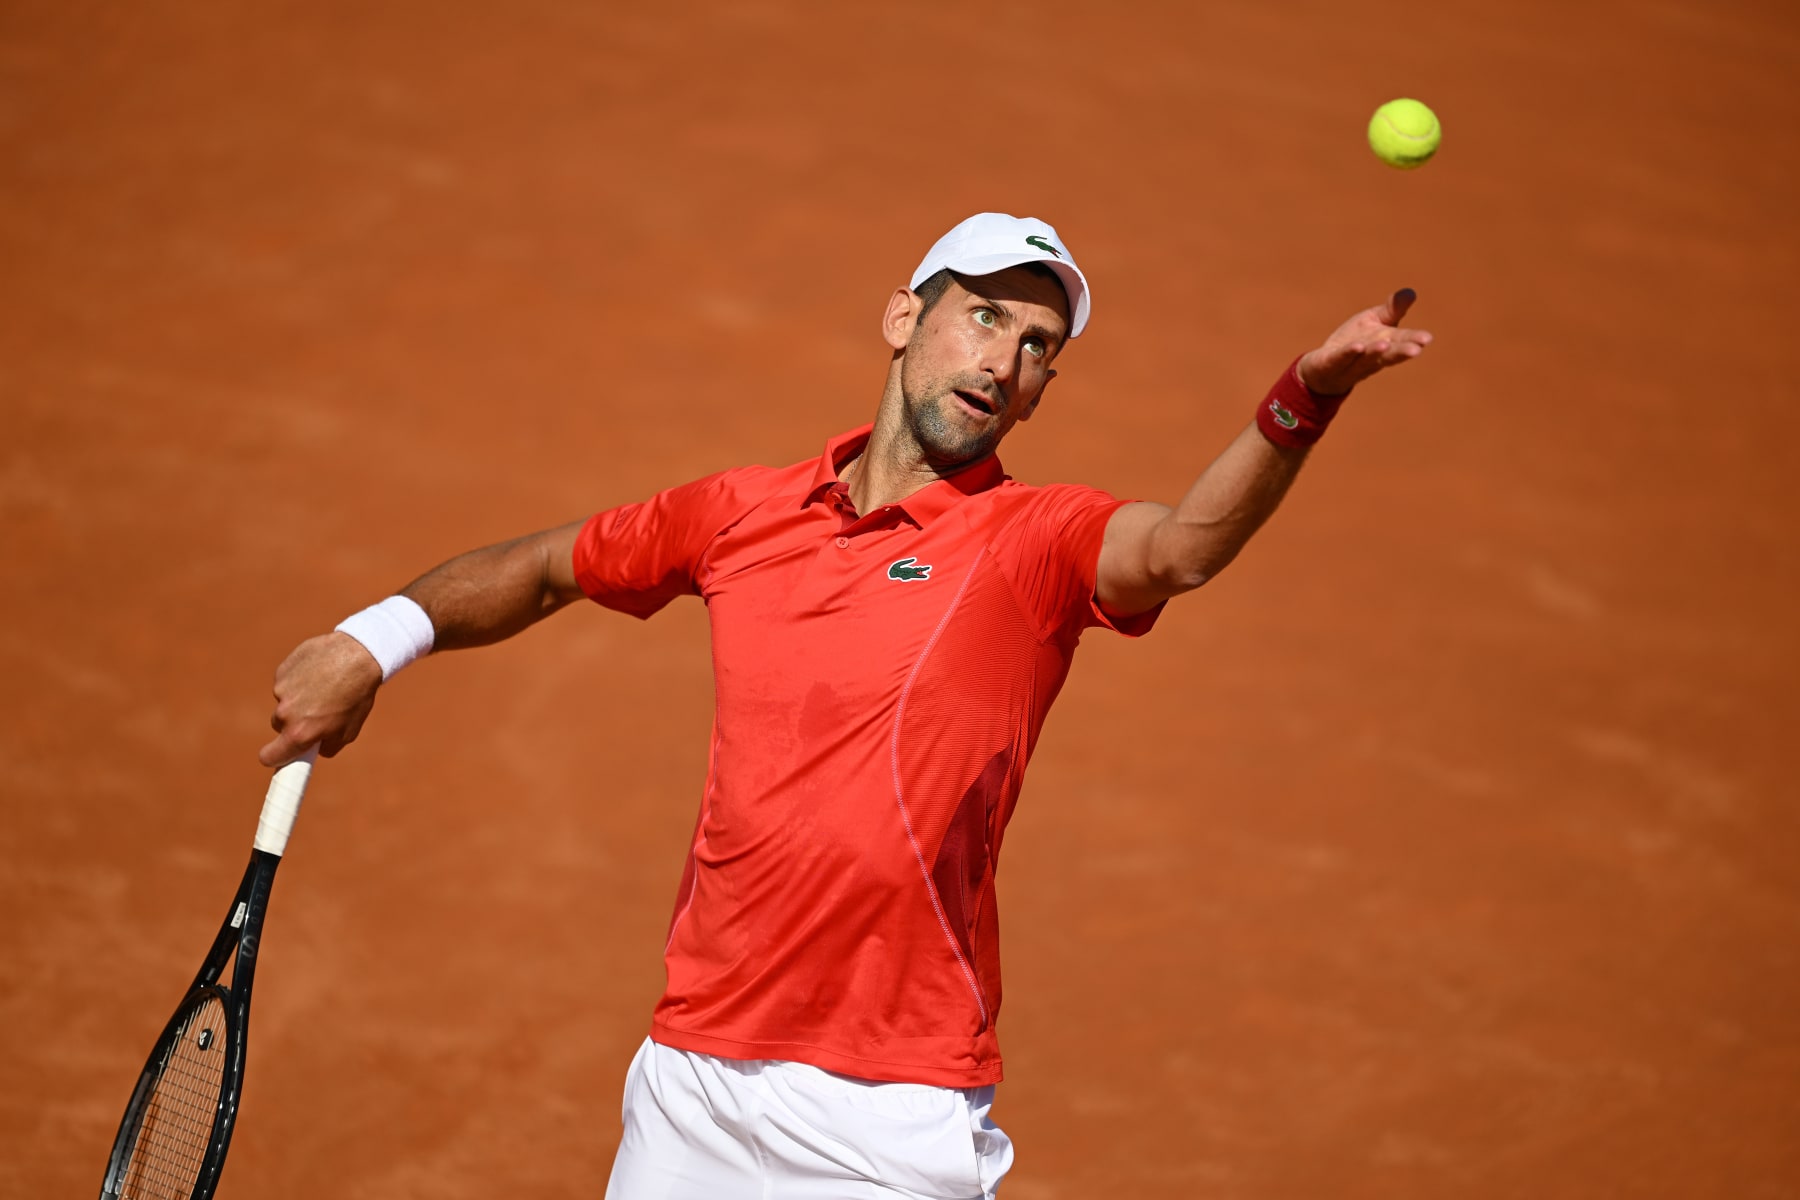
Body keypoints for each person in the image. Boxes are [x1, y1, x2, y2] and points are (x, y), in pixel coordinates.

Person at [259, 212, 1432, 1198]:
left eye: (1037, 347)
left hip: (892, 1114)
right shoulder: (740, 515)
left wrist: (1305, 396)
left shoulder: (1037, 540)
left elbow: (1180, 550)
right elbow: (548, 566)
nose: (1002, 361)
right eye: (984, 316)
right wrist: (371, 643)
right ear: (903, 320)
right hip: (694, 1078)